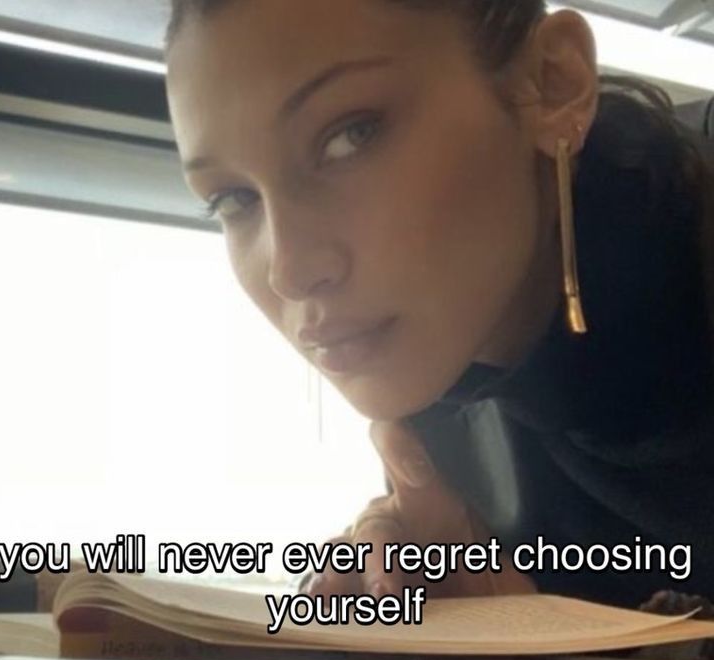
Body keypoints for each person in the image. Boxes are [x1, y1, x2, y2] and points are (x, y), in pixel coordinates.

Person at [164, 0, 714, 612]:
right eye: (232, 199)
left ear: (553, 83)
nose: (288, 271)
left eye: (352, 135)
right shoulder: (434, 415)